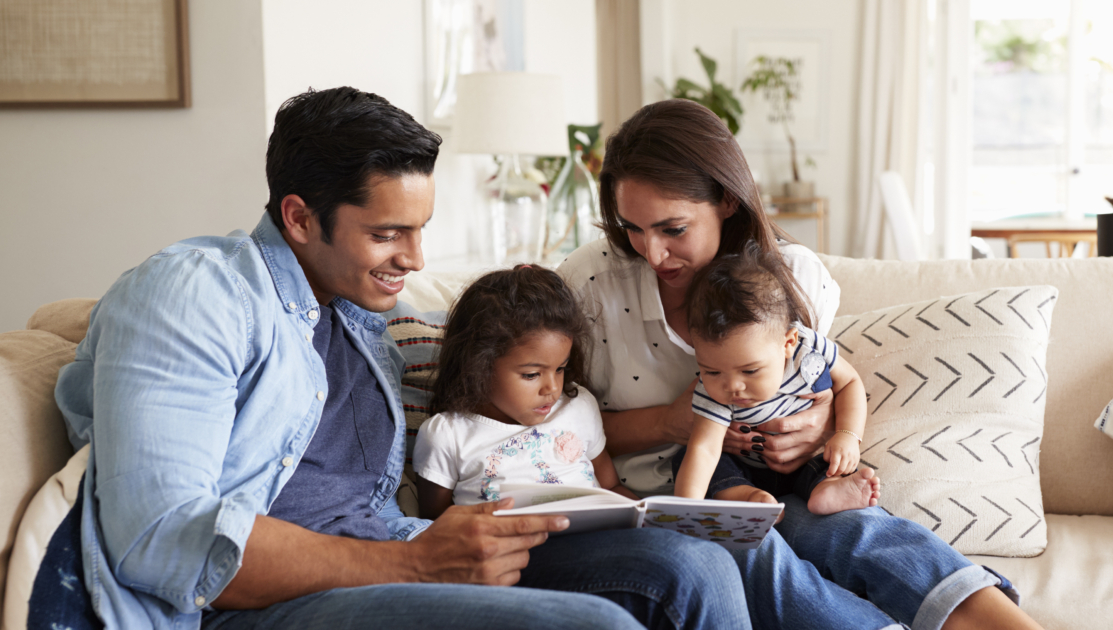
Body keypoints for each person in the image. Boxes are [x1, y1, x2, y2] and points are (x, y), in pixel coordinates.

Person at [44, 87, 751, 630]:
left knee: (693, 567)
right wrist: (415, 563)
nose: (413, 260)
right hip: (260, 606)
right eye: (388, 233)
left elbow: (504, 347)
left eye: (419, 230)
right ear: (298, 218)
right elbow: (162, 538)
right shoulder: (193, 294)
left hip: (397, 552)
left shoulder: (360, 313)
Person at [557, 98, 1045, 630]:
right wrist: (670, 422)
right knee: (747, 549)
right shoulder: (591, 283)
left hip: (786, 486)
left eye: (673, 229)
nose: (651, 253)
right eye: (631, 227)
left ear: (725, 200)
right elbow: (546, 426)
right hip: (662, 501)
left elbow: (818, 385)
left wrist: (819, 429)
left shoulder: (790, 277)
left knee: (856, 531)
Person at [412, 265, 636, 516]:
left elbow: (611, 486)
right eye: (531, 375)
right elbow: (436, 525)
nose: (552, 388)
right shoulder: (447, 435)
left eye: (561, 368)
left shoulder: (579, 405)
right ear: (478, 366)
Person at [674, 244, 880, 515]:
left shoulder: (807, 353)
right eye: (712, 371)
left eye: (750, 371)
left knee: (831, 461)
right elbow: (704, 449)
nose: (732, 386)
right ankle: (745, 496)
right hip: (747, 469)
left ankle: (826, 490)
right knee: (687, 459)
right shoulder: (712, 392)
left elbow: (849, 382)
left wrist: (847, 435)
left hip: (805, 460)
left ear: (788, 343)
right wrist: (684, 513)